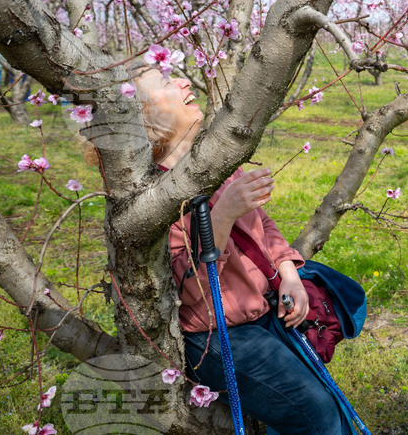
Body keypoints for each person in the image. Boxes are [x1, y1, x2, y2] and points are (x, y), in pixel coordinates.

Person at [127, 65, 350, 435]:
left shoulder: (210, 166)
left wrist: (289, 274)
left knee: (325, 402)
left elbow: (263, 223)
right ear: (144, 117)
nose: (185, 80)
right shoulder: (150, 200)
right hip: (219, 334)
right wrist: (224, 213)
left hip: (264, 310)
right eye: (166, 82)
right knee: (319, 416)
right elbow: (186, 288)